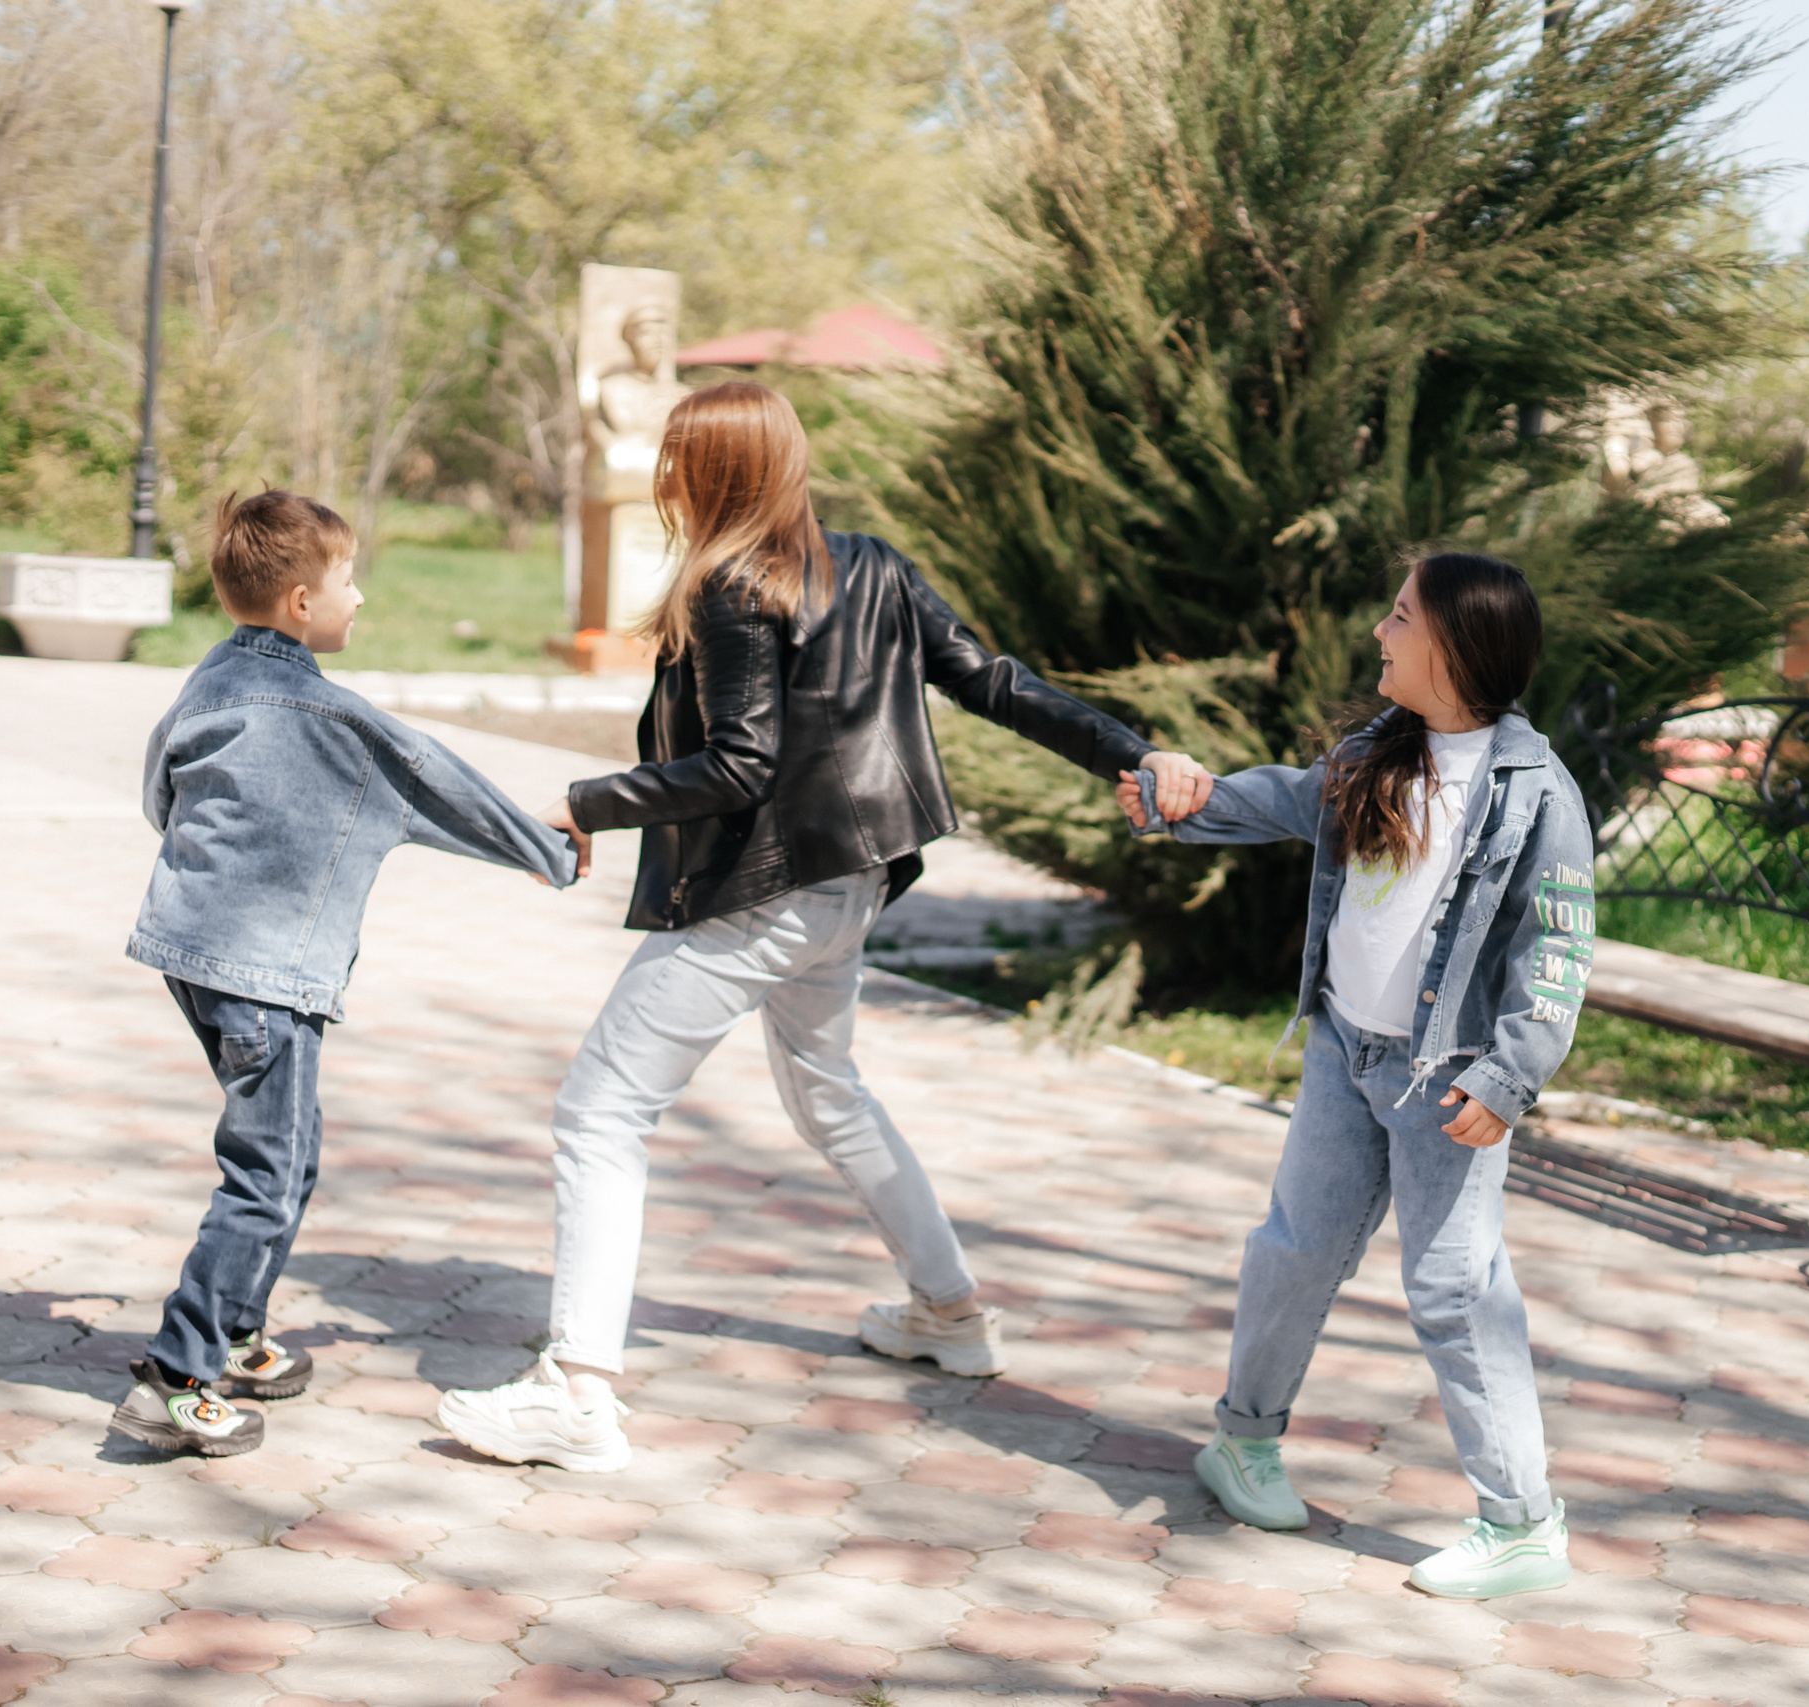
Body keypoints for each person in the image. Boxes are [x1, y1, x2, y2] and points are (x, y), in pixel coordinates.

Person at [436, 382, 1213, 1471]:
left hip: (766, 893)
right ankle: (947, 1311)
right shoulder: (874, 564)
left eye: (675, 461)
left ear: (702, 475)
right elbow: (997, 682)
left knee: (601, 1113)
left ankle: (577, 1392)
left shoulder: (730, 584)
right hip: (844, 885)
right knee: (828, 1094)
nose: (663, 478)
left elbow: (740, 764)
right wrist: (1131, 753)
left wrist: (585, 801)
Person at [1120, 552, 1593, 1600]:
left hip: (1448, 1080)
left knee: (1454, 1288)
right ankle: (1242, 1440)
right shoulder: (1378, 756)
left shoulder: (1532, 795)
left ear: (1456, 646)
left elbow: (1556, 950)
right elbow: (1281, 801)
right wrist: (1180, 798)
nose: (1379, 633)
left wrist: (1509, 1078)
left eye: (1398, 617)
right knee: (1294, 1250)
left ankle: (1521, 1523)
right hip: (1345, 1052)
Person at [111, 490, 580, 1457]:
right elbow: (445, 785)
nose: (357, 597)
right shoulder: (341, 722)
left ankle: (236, 1330)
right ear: (297, 600)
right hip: (271, 976)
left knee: (289, 1148)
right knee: (266, 1172)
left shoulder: (206, 683)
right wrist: (548, 847)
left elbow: (161, 790)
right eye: (346, 579)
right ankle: (178, 1371)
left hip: (188, 954)